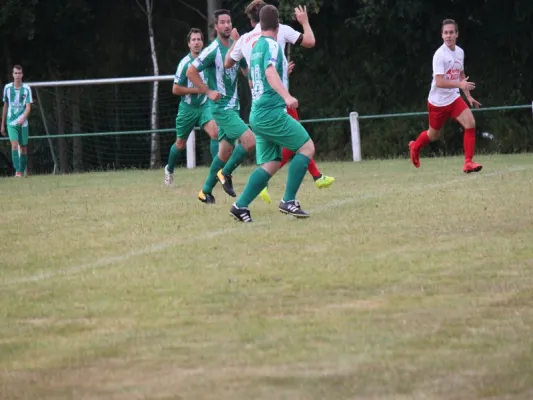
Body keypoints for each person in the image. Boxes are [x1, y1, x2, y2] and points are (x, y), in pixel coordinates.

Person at [225, 0, 335, 204]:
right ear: (276, 23)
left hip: (257, 108)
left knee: (272, 162)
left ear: (253, 21)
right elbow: (307, 43)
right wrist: (304, 22)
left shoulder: (251, 42)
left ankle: (240, 205)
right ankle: (291, 199)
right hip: (274, 107)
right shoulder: (275, 40)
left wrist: (235, 41)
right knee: (305, 146)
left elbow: (233, 64)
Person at [187, 9, 256, 204]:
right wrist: (208, 91)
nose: (227, 25)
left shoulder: (236, 47)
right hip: (221, 107)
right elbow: (191, 71)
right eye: (222, 22)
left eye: (229, 22)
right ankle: (225, 174)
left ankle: (205, 191)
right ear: (216, 27)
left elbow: (245, 73)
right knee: (249, 142)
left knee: (225, 152)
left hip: (233, 107)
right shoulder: (212, 50)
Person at [409, 19, 482, 173]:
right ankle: (415, 146)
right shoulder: (439, 55)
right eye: (445, 33)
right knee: (433, 135)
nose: (448, 35)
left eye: (451, 32)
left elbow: (461, 76)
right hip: (438, 102)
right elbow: (440, 82)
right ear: (442, 35)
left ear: (457, 34)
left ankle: (468, 162)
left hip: (454, 98)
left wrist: (468, 96)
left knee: (470, 123)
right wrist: (460, 86)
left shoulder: (460, 52)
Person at [164, 28, 219, 187]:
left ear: (203, 42)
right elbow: (175, 89)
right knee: (180, 144)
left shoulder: (208, 60)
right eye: (193, 40)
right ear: (189, 44)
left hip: (204, 106)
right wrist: (198, 89)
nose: (196, 42)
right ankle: (169, 169)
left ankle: (218, 173)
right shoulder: (184, 64)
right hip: (187, 108)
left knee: (215, 133)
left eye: (199, 39)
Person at [1, 65, 32, 177]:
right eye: (15, 73)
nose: (17, 75)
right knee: (14, 145)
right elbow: (5, 106)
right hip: (11, 122)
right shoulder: (7, 88)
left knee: (23, 147)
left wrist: (23, 117)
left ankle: (22, 170)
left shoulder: (27, 88)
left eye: (19, 73)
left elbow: (28, 107)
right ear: (13, 75)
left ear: (22, 75)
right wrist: (2, 125)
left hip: (23, 122)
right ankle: (18, 171)